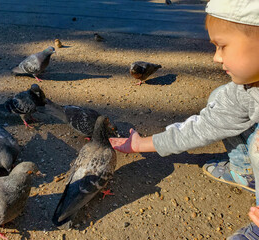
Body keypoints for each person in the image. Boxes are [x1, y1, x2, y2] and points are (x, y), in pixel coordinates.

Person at [109, 0, 259, 239]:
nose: (216, 58)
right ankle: (246, 171)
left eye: (222, 46)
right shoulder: (246, 89)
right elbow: (205, 126)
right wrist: (140, 144)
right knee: (220, 97)